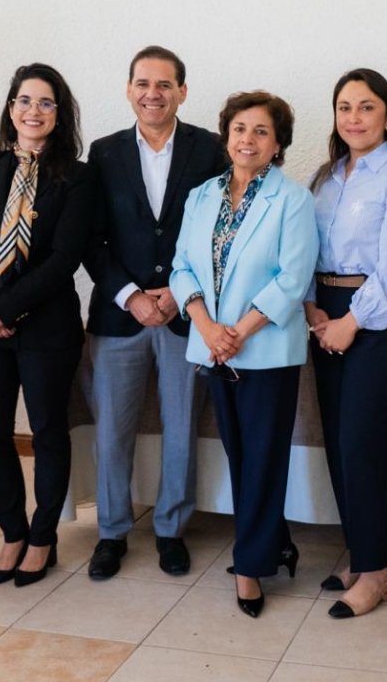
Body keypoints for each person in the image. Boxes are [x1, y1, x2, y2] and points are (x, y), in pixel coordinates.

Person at [170, 91, 319, 618]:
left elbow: (293, 277)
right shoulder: (201, 196)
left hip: (267, 350)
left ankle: (251, 566)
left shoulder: (293, 199)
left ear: (278, 143)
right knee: (240, 454)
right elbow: (181, 267)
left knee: (263, 458)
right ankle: (276, 542)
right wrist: (209, 328)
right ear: (226, 135)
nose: (247, 140)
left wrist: (239, 331)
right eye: (239, 129)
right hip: (214, 347)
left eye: (261, 131)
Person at [83, 46, 225, 580]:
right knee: (112, 431)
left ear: (182, 92)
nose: (153, 93)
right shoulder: (103, 153)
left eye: (164, 84)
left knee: (180, 426)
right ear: (128, 90)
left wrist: (175, 293)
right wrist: (131, 295)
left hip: (186, 313)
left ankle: (171, 529)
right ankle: (111, 532)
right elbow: (90, 238)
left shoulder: (210, 149)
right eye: (143, 83)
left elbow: (218, 233)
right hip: (119, 315)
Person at [306, 68, 387, 619]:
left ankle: (377, 573)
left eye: (366, 107)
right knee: (341, 444)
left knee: (367, 445)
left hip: (382, 320)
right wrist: (312, 306)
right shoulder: (326, 177)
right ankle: (362, 556)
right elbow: (306, 247)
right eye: (345, 107)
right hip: (325, 313)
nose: (354, 117)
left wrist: (353, 321)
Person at [0, 63, 94, 588]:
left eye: (45, 102)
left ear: (60, 114)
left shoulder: (78, 177)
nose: (32, 111)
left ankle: (43, 538)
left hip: (47, 328)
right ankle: (12, 532)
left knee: (46, 432)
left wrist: (7, 308)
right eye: (24, 100)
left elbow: (65, 258)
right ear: (10, 108)